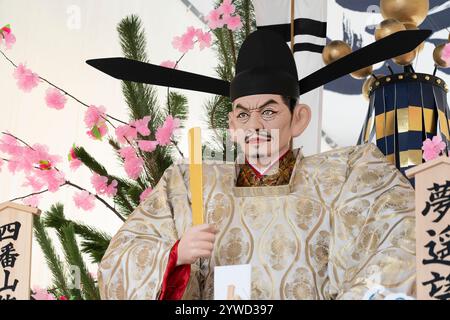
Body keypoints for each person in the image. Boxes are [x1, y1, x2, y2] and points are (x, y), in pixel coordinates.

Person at [89, 29, 420, 300]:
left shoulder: (348, 175)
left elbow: (406, 238)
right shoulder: (187, 186)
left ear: (299, 119)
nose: (255, 126)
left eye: (269, 111)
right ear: (232, 125)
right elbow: (118, 263)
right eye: (244, 114)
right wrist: (174, 256)